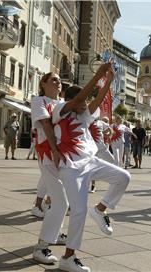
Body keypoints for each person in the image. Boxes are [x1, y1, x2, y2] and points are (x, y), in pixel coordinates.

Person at [52, 65, 130, 272]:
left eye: (85, 102)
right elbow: (79, 99)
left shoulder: (83, 116)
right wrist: (98, 75)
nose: (85, 104)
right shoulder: (59, 111)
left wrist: (109, 81)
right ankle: (68, 258)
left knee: (123, 177)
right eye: (82, 101)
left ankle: (100, 209)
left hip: (90, 162)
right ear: (71, 101)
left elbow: (96, 100)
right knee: (78, 212)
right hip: (70, 167)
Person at [31, 72, 70, 264]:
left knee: (62, 200)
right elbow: (45, 124)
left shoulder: (63, 103)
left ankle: (57, 233)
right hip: (48, 154)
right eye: (54, 79)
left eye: (60, 81)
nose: (58, 82)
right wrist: (54, 149)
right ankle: (41, 247)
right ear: (43, 83)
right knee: (61, 201)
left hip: (64, 157)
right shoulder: (39, 100)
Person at [89, 115, 115, 193]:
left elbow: (110, 129)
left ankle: (103, 174)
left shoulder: (101, 123)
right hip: (93, 149)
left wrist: (108, 135)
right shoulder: (88, 122)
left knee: (112, 160)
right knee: (92, 167)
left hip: (102, 148)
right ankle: (93, 186)